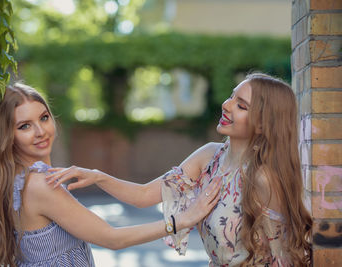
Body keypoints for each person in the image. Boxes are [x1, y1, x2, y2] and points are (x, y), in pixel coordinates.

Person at [47, 73, 313, 266]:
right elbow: (143, 196)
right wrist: (98, 176)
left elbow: (292, 249)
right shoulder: (209, 157)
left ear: (265, 124)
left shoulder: (264, 178)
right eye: (232, 96)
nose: (227, 105)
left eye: (241, 106)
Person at [0, 83, 222, 267]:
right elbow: (112, 238)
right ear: (8, 135)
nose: (40, 131)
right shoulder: (40, 184)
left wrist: (99, 177)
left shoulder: (18, 179)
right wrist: (182, 220)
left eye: (44, 118)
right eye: (25, 126)